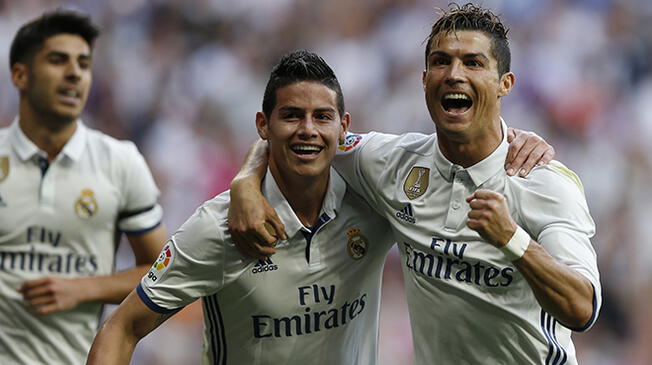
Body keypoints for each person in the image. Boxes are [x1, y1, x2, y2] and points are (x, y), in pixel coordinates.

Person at [228, 3, 600, 364]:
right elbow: (299, 135)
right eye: (441, 61)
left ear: (505, 83)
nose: (454, 73)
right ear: (425, 81)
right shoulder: (391, 162)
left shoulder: (544, 183)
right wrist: (245, 181)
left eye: (473, 62)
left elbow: (581, 309)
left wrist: (512, 239)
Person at [0, 10, 167, 364]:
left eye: (84, 63)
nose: (75, 73)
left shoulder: (119, 161)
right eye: (57, 61)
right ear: (20, 75)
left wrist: (86, 288)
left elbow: (161, 269)